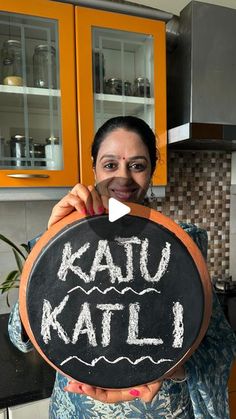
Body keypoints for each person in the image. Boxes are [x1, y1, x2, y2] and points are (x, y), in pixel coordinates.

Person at [9, 116, 236, 418]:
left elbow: (221, 346)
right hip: (79, 411)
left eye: (137, 165)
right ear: (94, 166)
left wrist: (175, 369)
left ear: (152, 170)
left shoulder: (182, 244)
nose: (123, 178)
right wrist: (49, 251)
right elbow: (20, 337)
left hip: (160, 410)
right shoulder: (62, 238)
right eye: (110, 164)